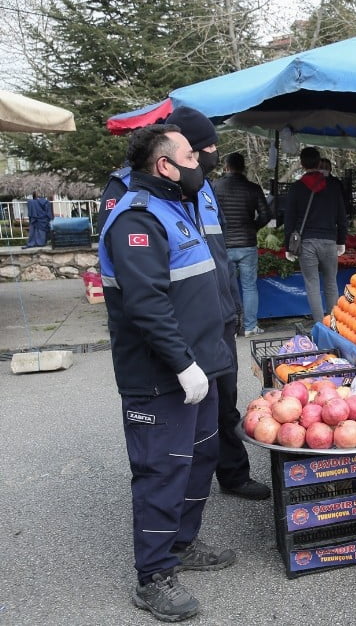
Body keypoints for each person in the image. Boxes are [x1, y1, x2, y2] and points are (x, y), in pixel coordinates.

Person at [98, 124, 235, 622]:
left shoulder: (179, 207)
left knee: (201, 459)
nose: (200, 161)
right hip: (162, 375)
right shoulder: (137, 219)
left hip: (202, 364)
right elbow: (146, 304)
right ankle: (154, 576)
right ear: (165, 166)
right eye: (191, 155)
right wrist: (183, 365)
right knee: (162, 470)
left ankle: (182, 543)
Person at [97, 108, 270, 503]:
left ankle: (229, 474)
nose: (210, 154)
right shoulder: (129, 196)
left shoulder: (201, 186)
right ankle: (171, 510)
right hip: (176, 329)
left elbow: (216, 251)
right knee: (175, 431)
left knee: (222, 405)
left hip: (217, 316)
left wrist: (230, 306)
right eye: (201, 148)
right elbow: (140, 284)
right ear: (170, 158)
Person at [284, 147, 348, 324]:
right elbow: (342, 216)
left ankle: (320, 324)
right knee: (331, 283)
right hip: (329, 241)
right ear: (319, 162)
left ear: (302, 164)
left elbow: (289, 219)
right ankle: (334, 323)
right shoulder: (334, 186)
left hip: (306, 243)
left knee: (312, 284)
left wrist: (287, 246)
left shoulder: (296, 188)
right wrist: (341, 240)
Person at [212, 152, 271, 336]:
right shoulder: (252, 188)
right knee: (249, 286)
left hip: (224, 244)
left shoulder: (215, 187)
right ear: (243, 167)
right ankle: (250, 326)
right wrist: (253, 227)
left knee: (225, 287)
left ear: (226, 167)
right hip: (247, 243)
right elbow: (266, 214)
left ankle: (229, 327)